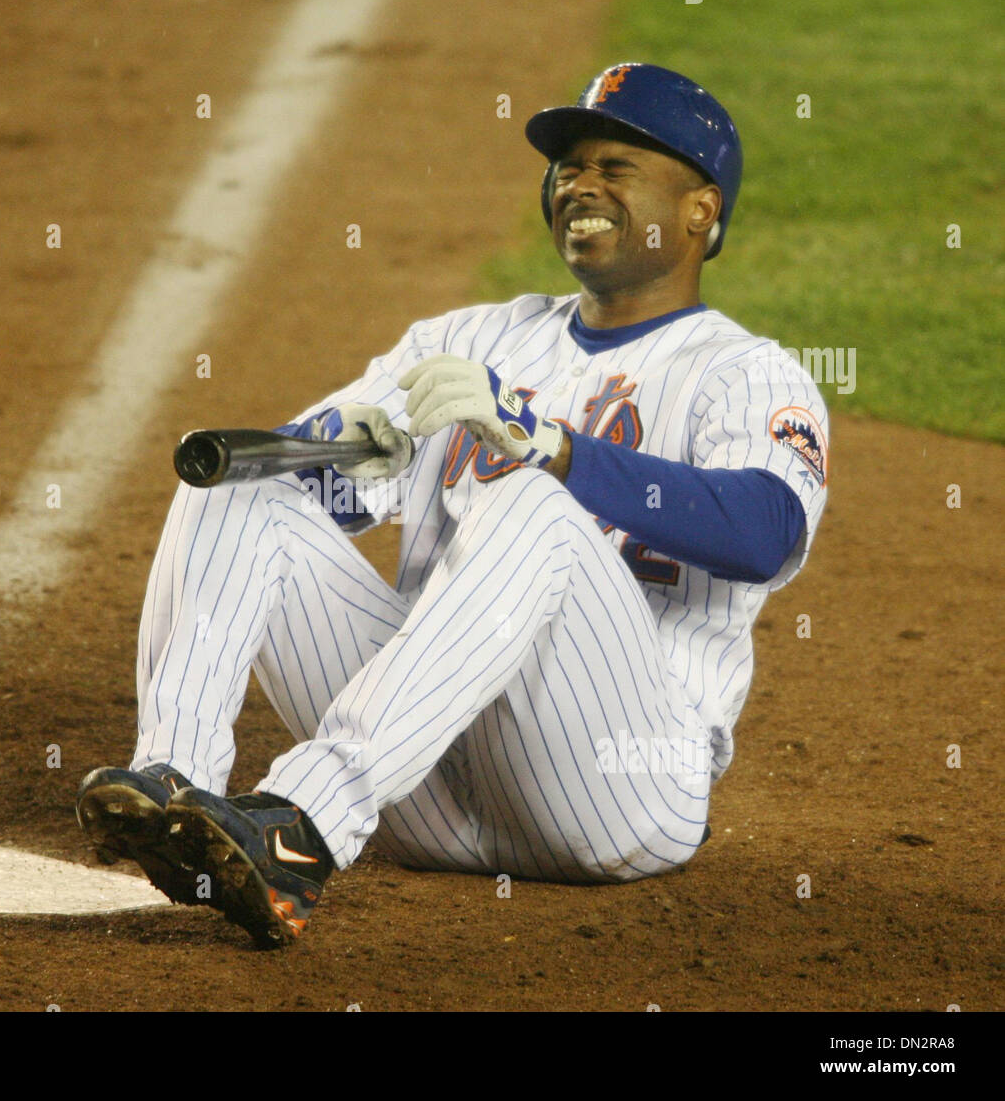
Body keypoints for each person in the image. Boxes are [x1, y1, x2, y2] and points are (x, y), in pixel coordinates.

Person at [76, 62, 829, 948]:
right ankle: (177, 793)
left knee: (531, 507)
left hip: (615, 786)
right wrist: (338, 451)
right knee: (243, 486)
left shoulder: (746, 372)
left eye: (614, 167)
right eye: (567, 167)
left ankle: (302, 823)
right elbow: (317, 503)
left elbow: (766, 531)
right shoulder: (471, 341)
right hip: (429, 785)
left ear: (701, 209)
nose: (577, 185)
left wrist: (555, 450)